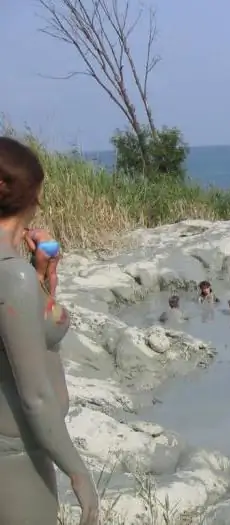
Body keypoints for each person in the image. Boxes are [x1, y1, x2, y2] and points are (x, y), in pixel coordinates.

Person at [0, 137, 99, 524]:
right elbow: (36, 397)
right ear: (34, 196)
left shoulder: (17, 274)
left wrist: (41, 276)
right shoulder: (12, 276)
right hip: (17, 451)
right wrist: (78, 472)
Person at [25, 228, 60, 297]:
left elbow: (33, 248)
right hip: (54, 244)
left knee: (40, 274)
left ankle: (40, 296)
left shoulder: (27, 234)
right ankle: (52, 295)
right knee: (52, 273)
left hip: (43, 246)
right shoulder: (40, 230)